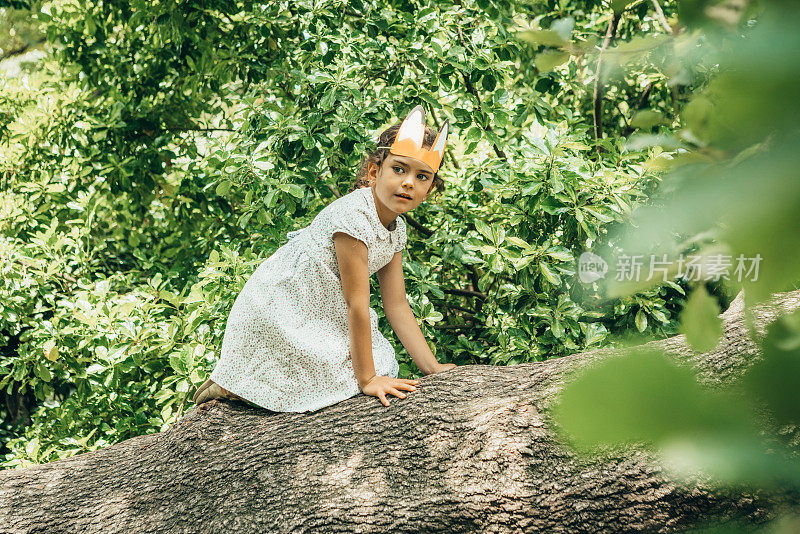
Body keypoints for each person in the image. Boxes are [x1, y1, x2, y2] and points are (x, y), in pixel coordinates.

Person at [192, 105, 457, 412]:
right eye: (399, 169)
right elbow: (356, 304)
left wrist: (432, 368)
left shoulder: (395, 229)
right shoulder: (354, 219)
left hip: (318, 310)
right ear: (374, 172)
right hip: (281, 307)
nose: (409, 182)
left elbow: (395, 304)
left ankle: (242, 380)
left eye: (422, 176)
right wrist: (368, 379)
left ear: (429, 189)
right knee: (356, 376)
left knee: (381, 359)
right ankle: (234, 383)